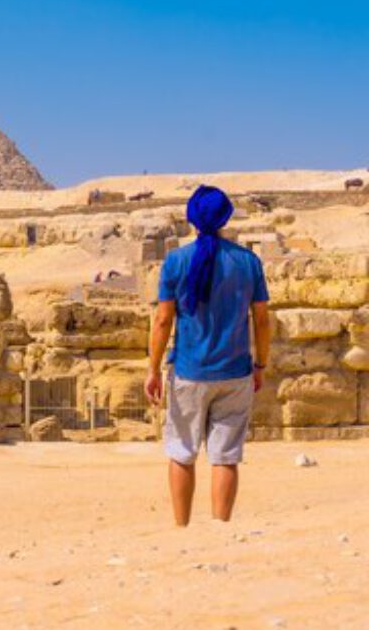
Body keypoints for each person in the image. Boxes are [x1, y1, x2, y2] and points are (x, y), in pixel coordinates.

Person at [144, 185, 271, 526]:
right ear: (225, 216)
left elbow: (163, 320)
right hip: (235, 372)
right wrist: (260, 365)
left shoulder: (175, 262)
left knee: (182, 453)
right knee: (225, 457)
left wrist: (153, 369)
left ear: (192, 219)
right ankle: (219, 530)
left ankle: (182, 528)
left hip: (188, 371)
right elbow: (261, 319)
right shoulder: (248, 262)